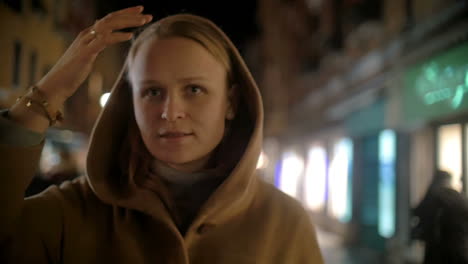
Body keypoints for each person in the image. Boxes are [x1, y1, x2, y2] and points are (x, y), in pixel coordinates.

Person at [0, 5, 323, 263]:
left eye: (194, 89)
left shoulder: (283, 223)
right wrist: (46, 94)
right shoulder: (71, 213)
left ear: (231, 102)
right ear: (131, 103)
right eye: (152, 92)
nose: (170, 112)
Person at [411, 170, 468, 264]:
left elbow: (418, 212)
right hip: (458, 248)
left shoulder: (434, 195)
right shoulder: (458, 198)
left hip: (438, 248)